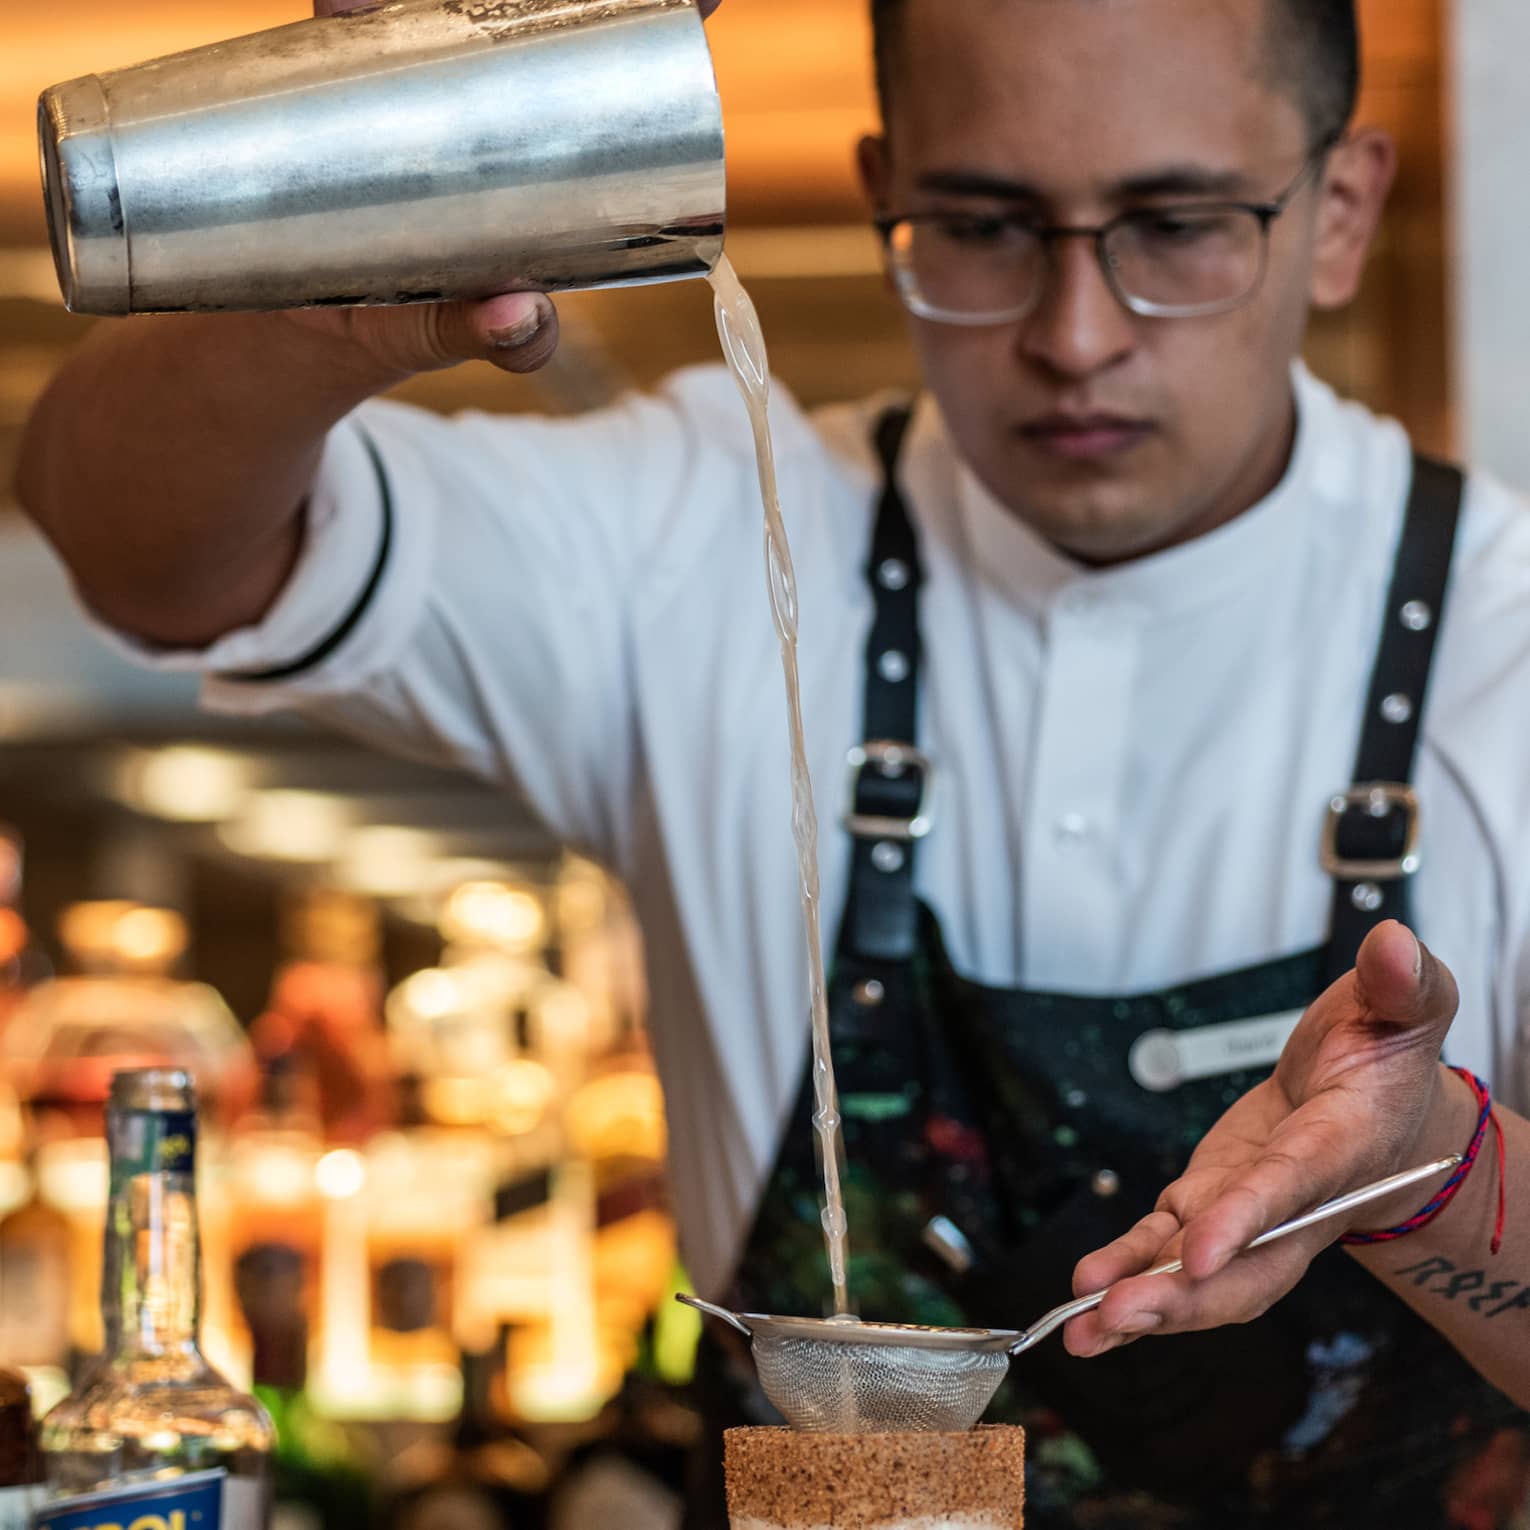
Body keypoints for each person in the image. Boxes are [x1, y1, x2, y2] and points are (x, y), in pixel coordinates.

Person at [16, 0, 1530, 1522]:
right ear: (883, 194)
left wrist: (1432, 1168)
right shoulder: (702, 527)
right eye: (980, 228)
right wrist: (326, 282)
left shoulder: (1504, 637)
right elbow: (140, 549)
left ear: (1342, 212)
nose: (1075, 335)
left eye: (1179, 226)